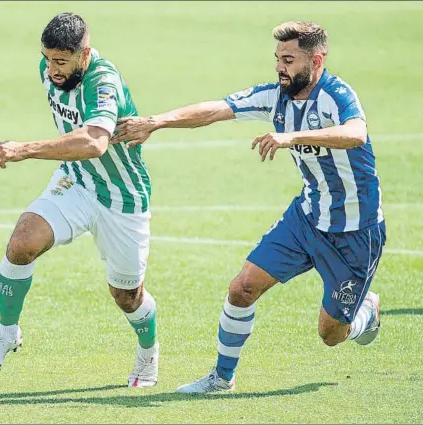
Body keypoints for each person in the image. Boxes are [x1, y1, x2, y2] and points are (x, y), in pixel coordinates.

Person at [111, 21, 385, 393]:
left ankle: (366, 313)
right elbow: (216, 109)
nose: (279, 67)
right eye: (277, 58)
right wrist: (157, 122)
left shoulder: (336, 95)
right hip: (306, 218)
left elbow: (356, 134)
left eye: (288, 59)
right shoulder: (276, 96)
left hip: (355, 232)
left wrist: (291, 136)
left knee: (331, 334)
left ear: (316, 60)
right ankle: (221, 379)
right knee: (242, 288)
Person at [0, 12, 158, 388]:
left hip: (121, 197)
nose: (53, 68)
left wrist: (24, 149)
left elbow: (94, 142)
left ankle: (148, 351)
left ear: (84, 54)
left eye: (62, 60)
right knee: (21, 243)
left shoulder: (103, 80)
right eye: (48, 58)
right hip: (74, 182)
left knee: (126, 295)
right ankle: (7, 332)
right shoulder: (47, 68)